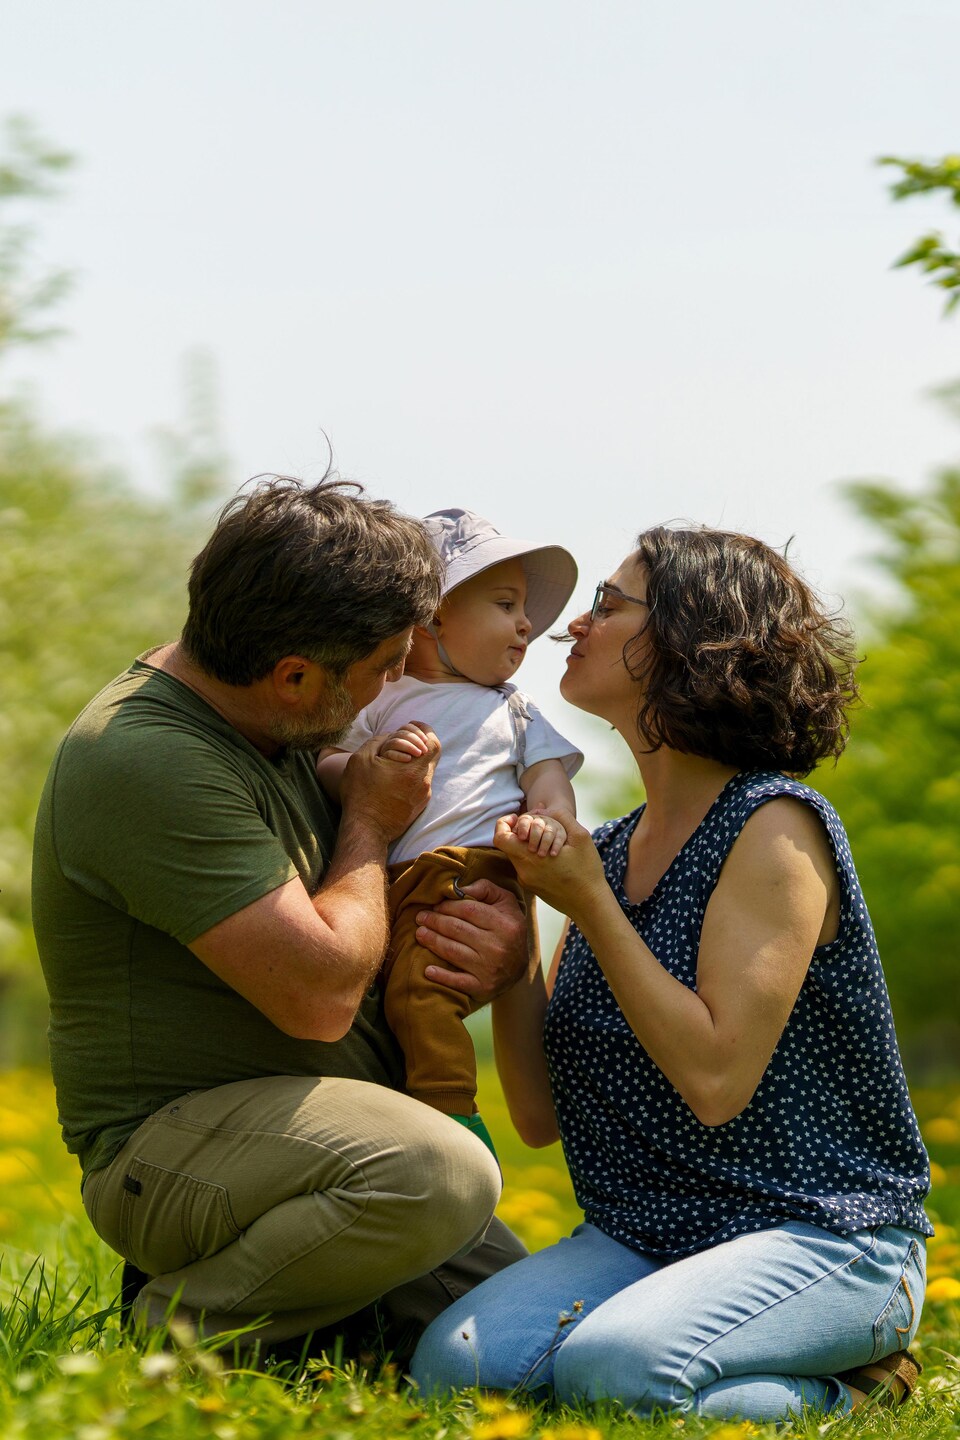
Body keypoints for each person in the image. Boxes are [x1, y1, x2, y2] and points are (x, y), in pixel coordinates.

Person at [411, 525, 933, 1421]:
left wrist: (588, 908)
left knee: (619, 1371)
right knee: (453, 1368)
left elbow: (716, 1078)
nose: (571, 625)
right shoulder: (601, 856)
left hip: (824, 1234)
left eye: (608, 605)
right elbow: (536, 1119)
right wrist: (516, 956)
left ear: (694, 639)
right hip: (647, 1239)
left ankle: (861, 1397)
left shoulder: (772, 825)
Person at [32, 474, 532, 1355]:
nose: (397, 686)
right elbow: (322, 993)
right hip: (173, 1154)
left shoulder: (268, 710)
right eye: (385, 667)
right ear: (295, 674)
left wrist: (476, 952)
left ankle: (299, 1323)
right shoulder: (147, 759)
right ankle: (172, 1338)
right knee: (438, 1174)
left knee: (526, 1348)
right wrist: (374, 824)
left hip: (329, 1148)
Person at [317, 509, 583, 1157]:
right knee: (381, 992)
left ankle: (450, 1122)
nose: (525, 624)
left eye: (524, 608)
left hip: (471, 873)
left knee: (421, 997)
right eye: (504, 603)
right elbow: (326, 763)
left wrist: (550, 822)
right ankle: (395, 1121)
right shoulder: (382, 698)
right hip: (391, 880)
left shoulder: (514, 709)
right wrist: (362, 769)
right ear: (432, 620)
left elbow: (549, 781)